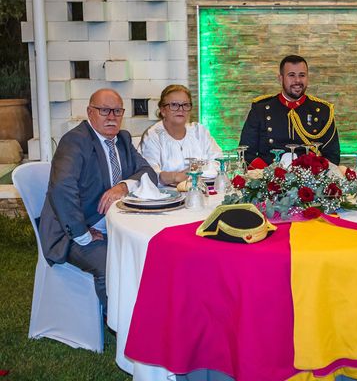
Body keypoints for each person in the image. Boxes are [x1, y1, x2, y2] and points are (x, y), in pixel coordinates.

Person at [39, 88, 157, 311]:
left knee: (150, 251)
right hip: (71, 232)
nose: (112, 117)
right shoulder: (74, 141)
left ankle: (143, 314)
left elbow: (148, 173)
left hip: (113, 225)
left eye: (117, 111)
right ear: (90, 112)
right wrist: (82, 234)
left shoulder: (122, 139)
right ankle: (117, 323)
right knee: (110, 264)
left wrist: (123, 186)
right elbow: (62, 189)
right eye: (104, 110)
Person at [239, 55, 340, 165]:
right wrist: (267, 174)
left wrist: (315, 173)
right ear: (281, 78)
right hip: (268, 177)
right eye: (291, 75)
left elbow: (332, 156)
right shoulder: (260, 110)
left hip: (310, 178)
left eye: (302, 75)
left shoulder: (323, 111)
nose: (297, 80)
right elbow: (246, 153)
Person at [139, 84, 222, 186]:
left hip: (200, 191)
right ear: (163, 110)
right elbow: (149, 174)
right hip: (164, 197)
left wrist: (191, 172)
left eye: (185, 105)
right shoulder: (153, 136)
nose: (180, 109)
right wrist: (175, 176)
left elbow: (219, 162)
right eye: (174, 105)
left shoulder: (199, 131)